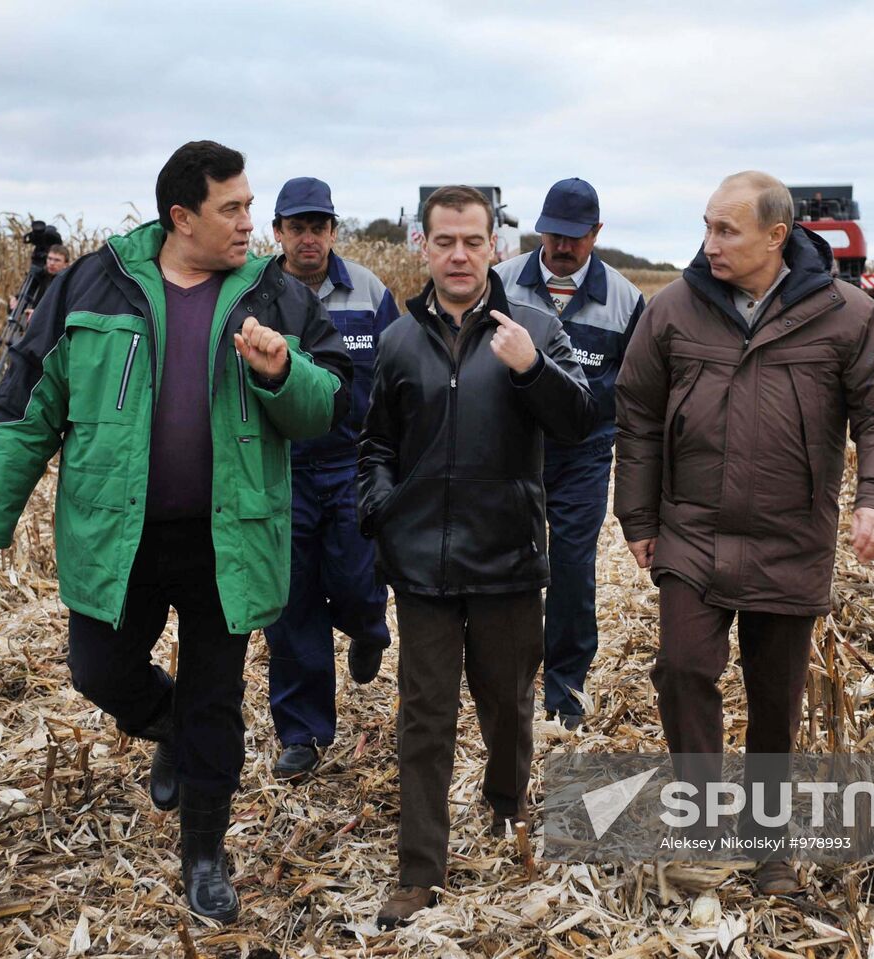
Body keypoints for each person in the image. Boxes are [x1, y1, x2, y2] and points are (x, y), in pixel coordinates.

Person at [0, 140, 352, 922]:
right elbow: (28, 405)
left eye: (248, 205)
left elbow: (328, 406)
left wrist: (281, 374)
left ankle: (205, 852)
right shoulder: (92, 284)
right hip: (119, 533)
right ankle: (167, 725)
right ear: (181, 216)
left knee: (217, 700)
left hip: (228, 538)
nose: (249, 224)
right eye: (231, 208)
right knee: (97, 668)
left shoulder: (278, 296)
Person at [614, 170, 874, 896]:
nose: (709, 243)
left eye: (727, 230)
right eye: (706, 226)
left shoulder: (846, 316)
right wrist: (637, 516)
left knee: (775, 702)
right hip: (692, 533)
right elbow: (636, 414)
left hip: (792, 538)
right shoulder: (673, 311)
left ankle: (769, 851)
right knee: (684, 668)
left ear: (776, 236)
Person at [358, 185, 596, 927]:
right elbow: (375, 445)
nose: (458, 254)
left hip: (506, 559)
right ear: (422, 247)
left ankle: (505, 803)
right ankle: (419, 870)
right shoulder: (399, 340)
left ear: (495, 245)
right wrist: (382, 507)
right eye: (444, 241)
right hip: (423, 565)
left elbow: (578, 420)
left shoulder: (532, 328)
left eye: (472, 240)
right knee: (424, 716)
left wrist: (530, 368)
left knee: (505, 704)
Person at [494, 178, 643, 731]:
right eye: (553, 234)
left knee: (572, 568)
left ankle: (565, 685)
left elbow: (636, 390)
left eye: (575, 238)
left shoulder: (626, 301)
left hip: (583, 453)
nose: (561, 247)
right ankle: (509, 675)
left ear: (596, 234)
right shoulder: (501, 283)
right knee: (510, 563)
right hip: (513, 449)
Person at [262, 177, 399, 780]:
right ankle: (303, 732)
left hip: (352, 466)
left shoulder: (370, 293)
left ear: (333, 231)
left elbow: (398, 375)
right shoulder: (254, 295)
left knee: (357, 579)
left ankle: (369, 628)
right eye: (297, 227)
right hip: (281, 469)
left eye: (319, 226)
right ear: (278, 233)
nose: (309, 237)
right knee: (291, 605)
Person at [9, 243, 71, 319]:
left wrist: (38, 315)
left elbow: (64, 312)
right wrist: (15, 301)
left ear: (66, 264)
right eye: (49, 258)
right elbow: (25, 300)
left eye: (57, 260)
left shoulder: (69, 284)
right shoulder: (39, 278)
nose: (51, 263)